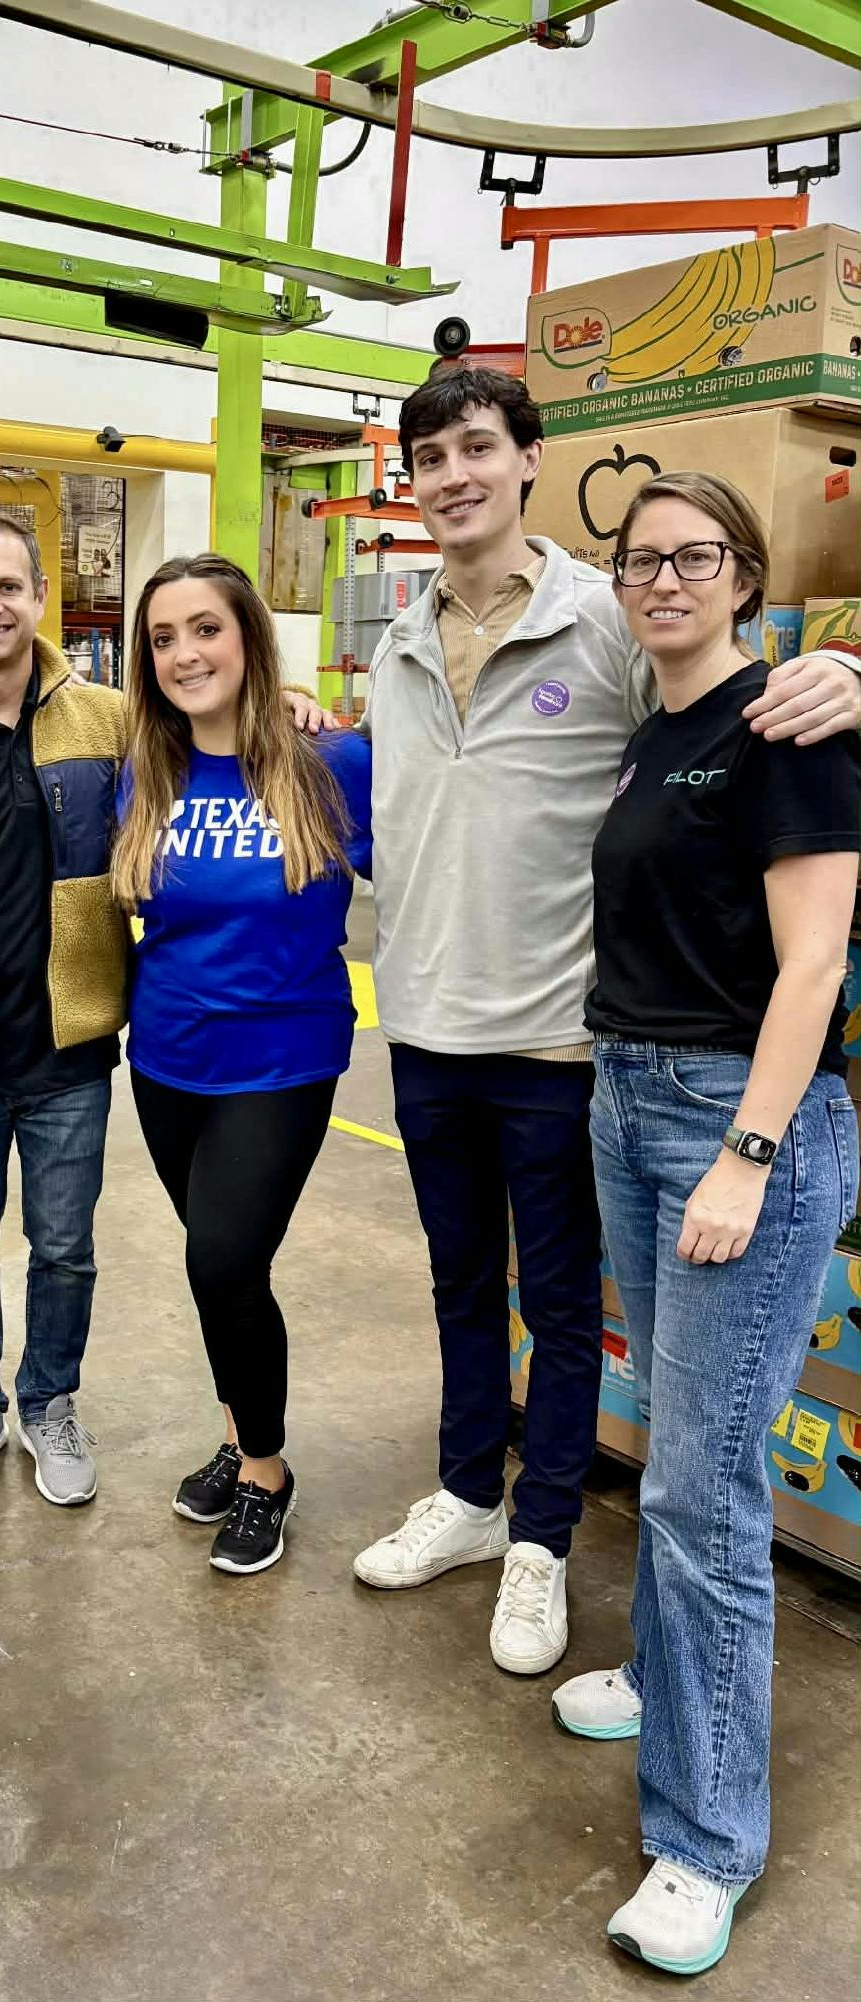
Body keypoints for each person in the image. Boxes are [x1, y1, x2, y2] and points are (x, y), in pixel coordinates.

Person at [351, 367, 860, 1675]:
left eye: (478, 447)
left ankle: (540, 1540)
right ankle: (468, 1496)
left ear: (527, 458)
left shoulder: (611, 617)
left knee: (561, 1302)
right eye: (430, 456)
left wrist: (848, 672)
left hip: (567, 1038)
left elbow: (740, 709)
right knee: (462, 1280)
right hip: (424, 1023)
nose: (453, 474)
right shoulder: (398, 641)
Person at [0, 512, 332, 1512]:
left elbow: (222, 724)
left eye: (8, 586)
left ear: (39, 599)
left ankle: (51, 1402)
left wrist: (290, 699)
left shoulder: (110, 726)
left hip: (75, 1057)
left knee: (70, 1250)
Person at [550, 473, 858, 1976]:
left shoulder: (791, 727)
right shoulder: (655, 727)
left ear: (742, 576)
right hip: (630, 1099)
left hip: (737, 1120)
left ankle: (706, 1836)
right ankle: (673, 1692)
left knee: (708, 1492)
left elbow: (813, 969)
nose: (662, 578)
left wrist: (748, 1149)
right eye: (640, 558)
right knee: (677, 1459)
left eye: (694, 557)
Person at [111, 554, 371, 1575]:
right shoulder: (146, 772)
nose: (184, 653)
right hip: (168, 1057)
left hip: (283, 1059)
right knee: (227, 1275)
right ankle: (237, 1431)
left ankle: (265, 1469)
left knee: (221, 1258)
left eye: (205, 628)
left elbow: (449, 853)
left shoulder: (333, 765)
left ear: (251, 638)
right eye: (164, 637)